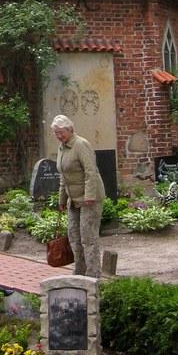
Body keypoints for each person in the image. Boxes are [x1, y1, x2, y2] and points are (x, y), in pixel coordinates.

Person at [51, 114, 105, 278]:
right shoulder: (62, 147)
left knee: (88, 237)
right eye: (56, 133)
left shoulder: (81, 145)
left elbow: (90, 172)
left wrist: (89, 196)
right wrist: (62, 199)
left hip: (90, 198)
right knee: (74, 236)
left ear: (70, 130)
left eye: (61, 132)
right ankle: (80, 270)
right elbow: (63, 176)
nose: (59, 136)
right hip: (73, 199)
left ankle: (93, 273)